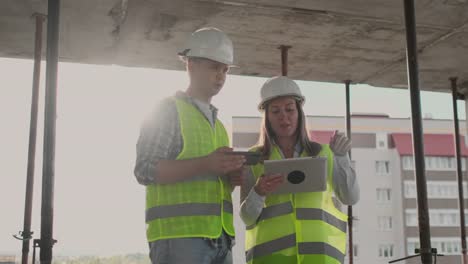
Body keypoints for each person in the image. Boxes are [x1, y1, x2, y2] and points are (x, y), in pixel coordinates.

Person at [134, 27, 246, 264]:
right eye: (215, 66)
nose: (221, 75)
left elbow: (209, 181)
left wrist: (231, 179)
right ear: (191, 64)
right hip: (179, 239)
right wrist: (206, 164)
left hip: (221, 239)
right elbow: (145, 169)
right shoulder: (167, 110)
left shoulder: (220, 127)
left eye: (225, 69)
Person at [240, 76, 360, 264]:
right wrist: (258, 192)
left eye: (289, 109)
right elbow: (247, 218)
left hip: (319, 258)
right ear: (267, 117)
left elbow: (350, 197)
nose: (283, 117)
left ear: (299, 112)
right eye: (275, 111)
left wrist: (342, 158)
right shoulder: (254, 159)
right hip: (272, 259)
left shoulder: (325, 153)